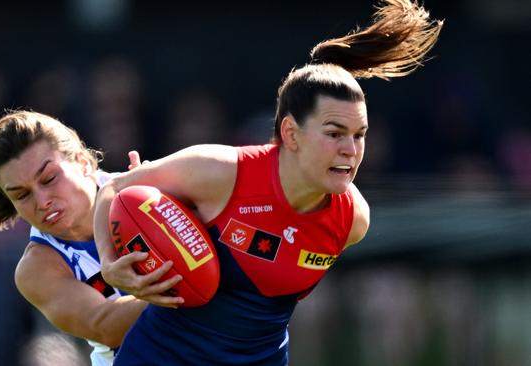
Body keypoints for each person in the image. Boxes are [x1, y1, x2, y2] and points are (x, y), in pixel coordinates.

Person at [92, 0, 444, 364]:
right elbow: (113, 188)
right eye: (335, 133)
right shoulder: (220, 172)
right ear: (290, 133)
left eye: (360, 135)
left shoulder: (352, 220)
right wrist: (108, 263)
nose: (351, 150)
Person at [0, 111, 178, 366]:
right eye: (22, 195)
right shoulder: (37, 267)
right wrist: (184, 279)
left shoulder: (153, 189)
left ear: (82, 161)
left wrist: (174, 203)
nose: (42, 202)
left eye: (49, 178)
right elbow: (104, 325)